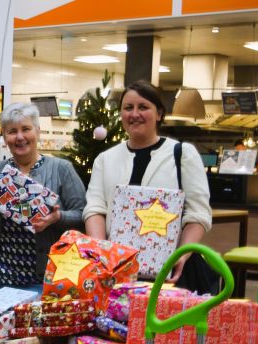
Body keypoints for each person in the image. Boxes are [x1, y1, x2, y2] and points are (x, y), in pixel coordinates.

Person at [84, 80, 212, 285]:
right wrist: (103, 253)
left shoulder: (182, 155)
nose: (134, 114)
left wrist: (182, 255)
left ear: (159, 113)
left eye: (143, 107)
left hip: (171, 274)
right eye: (128, 108)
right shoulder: (105, 159)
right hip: (115, 273)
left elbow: (199, 213)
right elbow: (95, 209)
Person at [0, 103, 86, 296]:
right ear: (5, 138)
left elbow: (82, 216)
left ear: (37, 132)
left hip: (44, 281)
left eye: (26, 129)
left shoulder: (61, 169)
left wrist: (57, 218)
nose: (20, 137)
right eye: (12, 131)